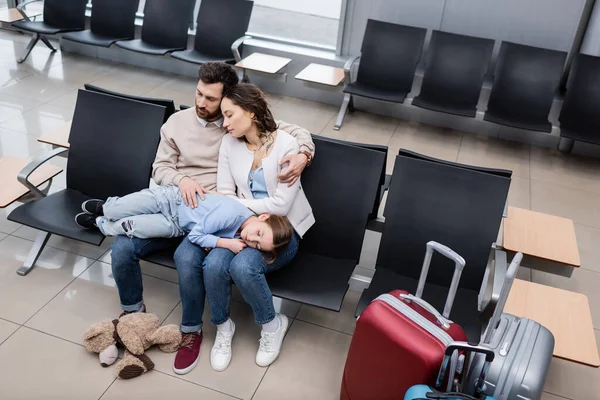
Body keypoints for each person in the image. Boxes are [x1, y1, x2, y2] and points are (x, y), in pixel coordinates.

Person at [108, 62, 315, 375]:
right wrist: (181, 181)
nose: (201, 103)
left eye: (211, 99)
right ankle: (131, 318)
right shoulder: (181, 125)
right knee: (122, 246)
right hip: (184, 203)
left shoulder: (237, 123)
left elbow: (291, 133)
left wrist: (303, 154)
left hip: (230, 216)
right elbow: (161, 169)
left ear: (229, 100)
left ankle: (194, 329)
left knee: (191, 257)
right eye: (198, 94)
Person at [202, 83, 315, 372]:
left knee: (242, 267)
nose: (224, 123)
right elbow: (224, 193)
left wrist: (240, 204)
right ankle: (223, 327)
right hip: (240, 226)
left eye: (229, 115)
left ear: (251, 113)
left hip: (281, 231)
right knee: (214, 264)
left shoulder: (287, 144)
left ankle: (271, 325)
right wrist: (239, 209)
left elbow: (279, 207)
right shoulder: (229, 143)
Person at [74, 190, 294, 261]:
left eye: (256, 245)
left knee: (130, 227)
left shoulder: (239, 232)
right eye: (258, 234)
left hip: (176, 225)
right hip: (172, 199)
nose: (250, 240)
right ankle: (106, 209)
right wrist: (224, 243)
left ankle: (100, 224)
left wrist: (216, 242)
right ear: (263, 217)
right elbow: (198, 236)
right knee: (116, 210)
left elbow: (197, 234)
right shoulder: (232, 214)